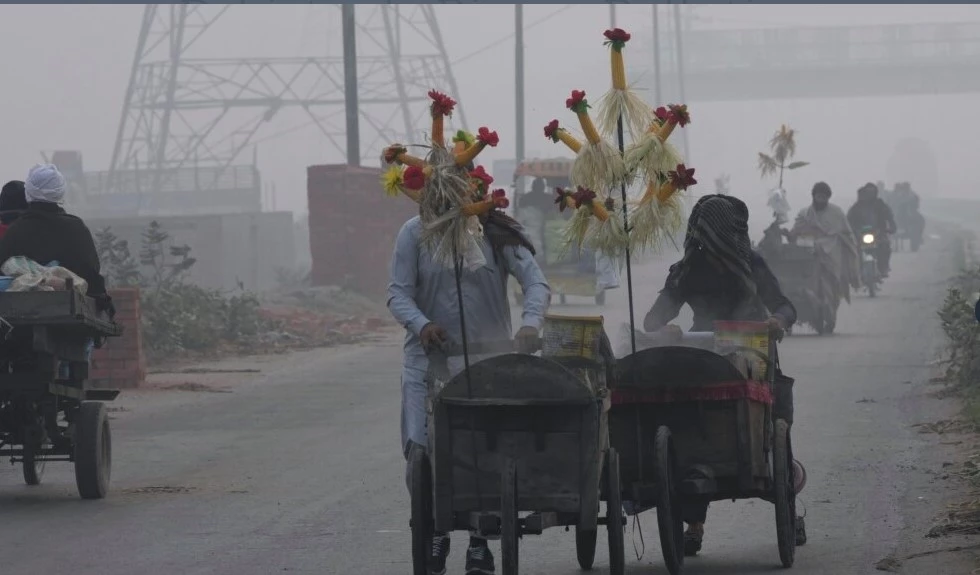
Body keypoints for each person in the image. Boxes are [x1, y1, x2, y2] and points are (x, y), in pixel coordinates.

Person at [388, 204, 550, 575]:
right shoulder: (413, 233)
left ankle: (480, 543)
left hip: (486, 360)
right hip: (427, 361)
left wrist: (530, 323)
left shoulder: (496, 231)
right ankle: (434, 530)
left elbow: (535, 281)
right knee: (420, 451)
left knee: (489, 449)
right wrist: (422, 324)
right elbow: (398, 294)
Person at [643, 194, 799, 556]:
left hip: (753, 350)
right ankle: (694, 523)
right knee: (695, 429)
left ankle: (789, 497)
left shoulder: (752, 265)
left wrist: (777, 321)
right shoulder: (686, 270)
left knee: (771, 424)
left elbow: (784, 306)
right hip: (704, 354)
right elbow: (654, 319)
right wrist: (664, 331)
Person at [0, 165, 113, 316]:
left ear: (29, 193)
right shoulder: (77, 229)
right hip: (72, 324)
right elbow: (91, 273)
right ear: (61, 193)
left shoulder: (15, 231)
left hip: (20, 326)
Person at [789, 182, 860, 329]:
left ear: (828, 198)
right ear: (813, 196)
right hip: (809, 258)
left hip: (831, 258)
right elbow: (795, 232)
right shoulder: (805, 214)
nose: (821, 200)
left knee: (831, 289)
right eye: (818, 196)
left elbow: (847, 234)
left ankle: (830, 318)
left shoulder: (837, 213)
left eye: (824, 197)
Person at [846, 182, 896, 278]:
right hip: (860, 234)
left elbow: (889, 216)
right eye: (867, 192)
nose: (869, 195)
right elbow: (849, 219)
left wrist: (892, 226)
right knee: (853, 250)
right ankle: (855, 270)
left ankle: (884, 267)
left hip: (879, 232)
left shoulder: (880, 204)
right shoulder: (857, 206)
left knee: (885, 246)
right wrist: (848, 230)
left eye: (871, 192)